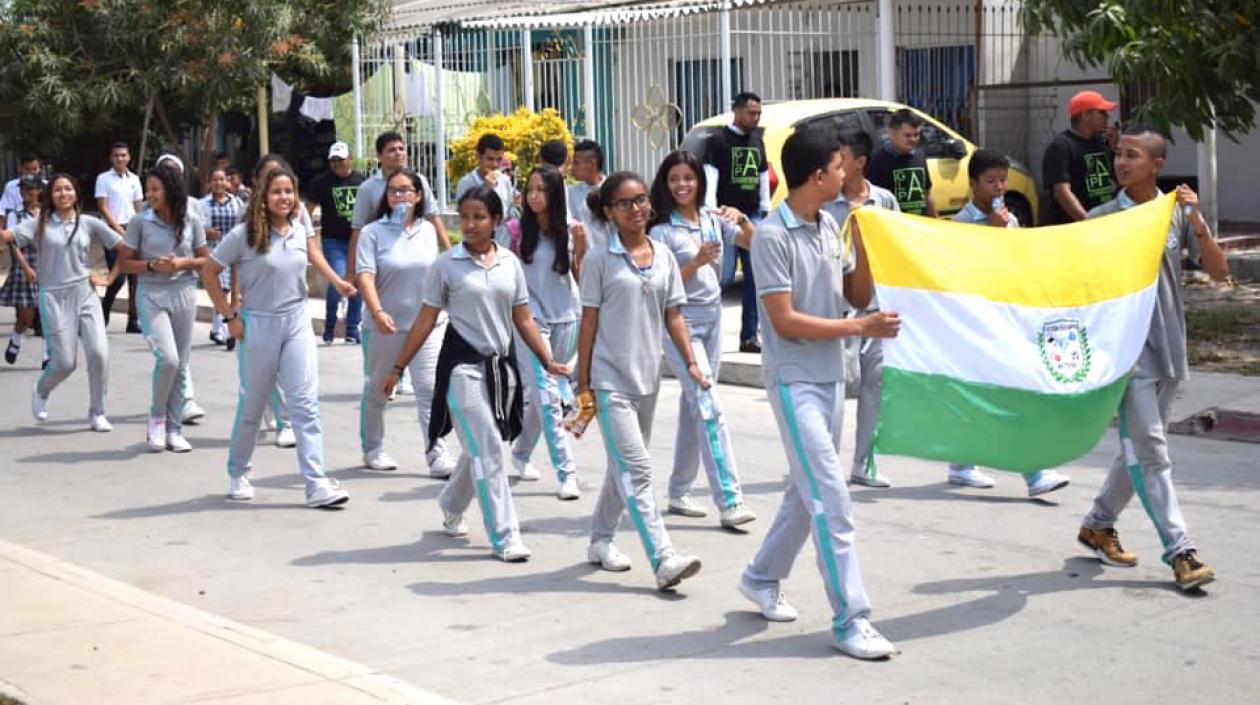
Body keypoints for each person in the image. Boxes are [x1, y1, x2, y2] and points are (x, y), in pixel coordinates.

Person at [738, 127, 902, 660]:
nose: (846, 173)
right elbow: (784, 322)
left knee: (804, 494)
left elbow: (855, 294)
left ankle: (761, 576)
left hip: (832, 380)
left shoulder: (831, 225)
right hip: (794, 383)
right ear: (817, 176)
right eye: (839, 166)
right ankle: (851, 619)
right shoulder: (772, 236)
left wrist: (867, 243)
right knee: (831, 500)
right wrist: (862, 329)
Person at [1076, 125, 1229, 591]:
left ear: (1157, 165)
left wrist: (1197, 219)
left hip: (1170, 347)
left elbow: (1220, 272)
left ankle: (1099, 523)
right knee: (1153, 453)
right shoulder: (1102, 218)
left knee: (1143, 445)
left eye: (1133, 156)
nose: (1121, 163)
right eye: (1118, 154)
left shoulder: (1174, 214)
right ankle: (1181, 551)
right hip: (1128, 354)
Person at [381, 186, 568, 562]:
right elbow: (425, 320)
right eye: (464, 217)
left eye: (478, 217)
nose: (469, 224)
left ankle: (451, 502)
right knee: (490, 449)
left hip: (501, 370)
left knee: (480, 447)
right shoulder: (446, 265)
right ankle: (505, 536)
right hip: (461, 369)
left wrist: (548, 360)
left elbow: (524, 318)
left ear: (496, 220)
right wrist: (398, 367)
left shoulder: (510, 264)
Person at [577, 171, 706, 590]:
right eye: (626, 203)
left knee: (624, 468)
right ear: (610, 212)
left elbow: (673, 314)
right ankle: (664, 556)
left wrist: (690, 361)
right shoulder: (598, 260)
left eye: (642, 200)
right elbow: (589, 322)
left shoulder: (665, 255)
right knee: (638, 467)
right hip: (608, 380)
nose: (637, 209)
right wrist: (583, 383)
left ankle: (600, 539)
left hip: (647, 378)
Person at [202, 166, 354, 508]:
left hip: (297, 321)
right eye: (277, 192)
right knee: (253, 405)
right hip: (259, 324)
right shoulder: (244, 234)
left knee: (305, 404)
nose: (284, 198)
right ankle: (238, 471)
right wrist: (229, 316)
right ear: (263, 196)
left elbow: (313, 255)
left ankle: (316, 484)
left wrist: (338, 282)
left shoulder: (300, 227)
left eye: (289, 191)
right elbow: (210, 271)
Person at [938, 149, 1074, 496]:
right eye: (990, 181)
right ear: (972, 184)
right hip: (976, 323)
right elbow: (965, 272)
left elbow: (1015, 265)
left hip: (1005, 317)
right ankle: (1033, 472)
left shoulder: (1009, 219)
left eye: (1003, 180)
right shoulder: (963, 225)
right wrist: (993, 235)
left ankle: (961, 463)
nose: (999, 188)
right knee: (1006, 396)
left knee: (996, 393)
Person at [647, 150, 757, 527]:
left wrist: (741, 217)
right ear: (665, 183)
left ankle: (679, 490)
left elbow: (752, 243)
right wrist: (694, 261)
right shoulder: (661, 231)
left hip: (713, 320)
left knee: (694, 406)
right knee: (708, 404)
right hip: (680, 322)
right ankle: (730, 500)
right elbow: (657, 284)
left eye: (688, 178)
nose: (682, 185)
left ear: (699, 182)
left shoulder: (712, 219)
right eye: (675, 179)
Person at [0, 173, 133, 431]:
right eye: (58, 190)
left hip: (85, 294)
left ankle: (98, 412)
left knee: (99, 353)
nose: (63, 194)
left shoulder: (88, 223)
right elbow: (8, 236)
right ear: (51, 196)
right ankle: (41, 389)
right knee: (64, 363)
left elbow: (124, 247)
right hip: (53, 296)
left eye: (68, 189)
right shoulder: (39, 223)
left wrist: (110, 277)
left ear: (76, 194)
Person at [355, 169, 457, 477]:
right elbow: (365, 275)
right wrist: (377, 311)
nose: (400, 197)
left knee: (429, 388)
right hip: (386, 327)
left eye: (406, 191)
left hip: (426, 326)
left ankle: (436, 453)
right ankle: (373, 447)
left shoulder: (426, 230)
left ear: (418, 195)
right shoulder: (373, 232)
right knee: (380, 388)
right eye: (393, 191)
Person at [818, 129, 899, 489]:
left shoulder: (884, 202)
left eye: (842, 158)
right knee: (837, 385)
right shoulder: (824, 206)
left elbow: (899, 248)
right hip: (839, 311)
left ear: (860, 163)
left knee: (875, 386)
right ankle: (821, 460)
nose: (836, 164)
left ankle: (864, 462)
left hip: (878, 309)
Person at [117, 164, 211, 453]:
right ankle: (156, 419)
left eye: (155, 189)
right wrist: (150, 265)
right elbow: (124, 263)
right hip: (152, 293)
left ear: (171, 190)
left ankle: (174, 429)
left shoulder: (191, 218)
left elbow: (206, 260)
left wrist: (182, 263)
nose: (150, 194)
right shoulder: (140, 221)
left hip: (184, 292)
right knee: (168, 359)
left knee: (181, 364)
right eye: (148, 189)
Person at [508, 165, 582, 500]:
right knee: (549, 398)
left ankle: (521, 452)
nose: (534, 196)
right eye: (530, 189)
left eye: (542, 190)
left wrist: (581, 246)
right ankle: (567, 473)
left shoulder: (571, 229)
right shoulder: (514, 231)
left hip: (567, 318)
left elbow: (582, 277)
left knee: (543, 398)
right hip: (529, 323)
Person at [701, 92, 769, 354]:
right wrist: (711, 212)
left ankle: (749, 336)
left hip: (750, 217)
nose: (756, 117)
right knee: (723, 274)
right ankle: (709, 331)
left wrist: (764, 208)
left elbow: (762, 173)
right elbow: (710, 175)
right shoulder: (718, 140)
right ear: (737, 111)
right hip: (725, 216)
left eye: (758, 113)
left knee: (754, 277)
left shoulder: (757, 139)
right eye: (752, 113)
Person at [349, 131, 451, 279]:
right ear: (379, 156)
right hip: (385, 259)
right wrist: (351, 272)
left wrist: (449, 252)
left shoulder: (419, 181)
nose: (398, 153)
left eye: (401, 149)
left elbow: (432, 216)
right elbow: (358, 229)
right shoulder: (367, 188)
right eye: (391, 150)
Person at [306, 142, 366, 344]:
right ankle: (330, 324)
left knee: (358, 282)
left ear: (350, 159)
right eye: (333, 161)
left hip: (357, 240)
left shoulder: (361, 181)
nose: (337, 164)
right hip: (334, 240)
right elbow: (308, 209)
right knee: (338, 278)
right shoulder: (321, 182)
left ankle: (351, 329)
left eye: (341, 160)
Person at [1043, 90, 1120, 224]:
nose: (1107, 117)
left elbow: (1117, 178)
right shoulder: (1061, 146)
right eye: (1102, 112)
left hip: (1107, 223)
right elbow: (1062, 192)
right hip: (1075, 229)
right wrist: (1087, 222)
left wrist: (1115, 150)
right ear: (1086, 115)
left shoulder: (1102, 142)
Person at [96, 142, 145, 333]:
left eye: (124, 155)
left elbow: (138, 206)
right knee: (118, 277)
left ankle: (133, 319)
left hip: (132, 228)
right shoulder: (104, 179)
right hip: (111, 230)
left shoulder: (134, 179)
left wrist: (140, 227)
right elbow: (103, 207)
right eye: (117, 155)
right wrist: (117, 228)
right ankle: (105, 308)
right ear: (111, 158)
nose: (120, 159)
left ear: (129, 157)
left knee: (136, 278)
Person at [2, 175, 45, 366]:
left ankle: (47, 355)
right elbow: (13, 244)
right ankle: (16, 338)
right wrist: (25, 267)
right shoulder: (15, 215)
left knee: (46, 312)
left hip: (46, 265)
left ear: (39, 191)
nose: (26, 193)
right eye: (23, 190)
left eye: (30, 189)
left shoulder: (46, 213)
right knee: (27, 314)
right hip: (25, 264)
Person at [866, 108, 937, 217]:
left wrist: (935, 222)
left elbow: (927, 194)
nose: (913, 139)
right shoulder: (878, 160)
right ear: (892, 133)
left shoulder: (919, 155)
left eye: (916, 135)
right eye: (907, 135)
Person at [201, 167, 242, 348]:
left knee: (233, 291)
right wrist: (206, 232)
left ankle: (217, 327)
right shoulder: (203, 204)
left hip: (235, 248)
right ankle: (221, 330)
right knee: (222, 288)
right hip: (215, 249)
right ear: (210, 183)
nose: (219, 183)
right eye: (215, 179)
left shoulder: (237, 202)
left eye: (222, 179)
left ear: (227, 182)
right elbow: (195, 228)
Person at [456, 134, 518, 243]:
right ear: (478, 157)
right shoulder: (465, 183)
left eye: (499, 160)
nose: (494, 165)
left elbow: (509, 211)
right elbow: (465, 215)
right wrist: (485, 188)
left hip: (502, 243)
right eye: (490, 159)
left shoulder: (504, 181)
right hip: (476, 242)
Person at [0, 154, 42, 219]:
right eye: (27, 169)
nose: (31, 172)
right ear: (21, 169)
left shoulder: (47, 185)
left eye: (34, 169)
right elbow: (3, 211)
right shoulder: (11, 186)